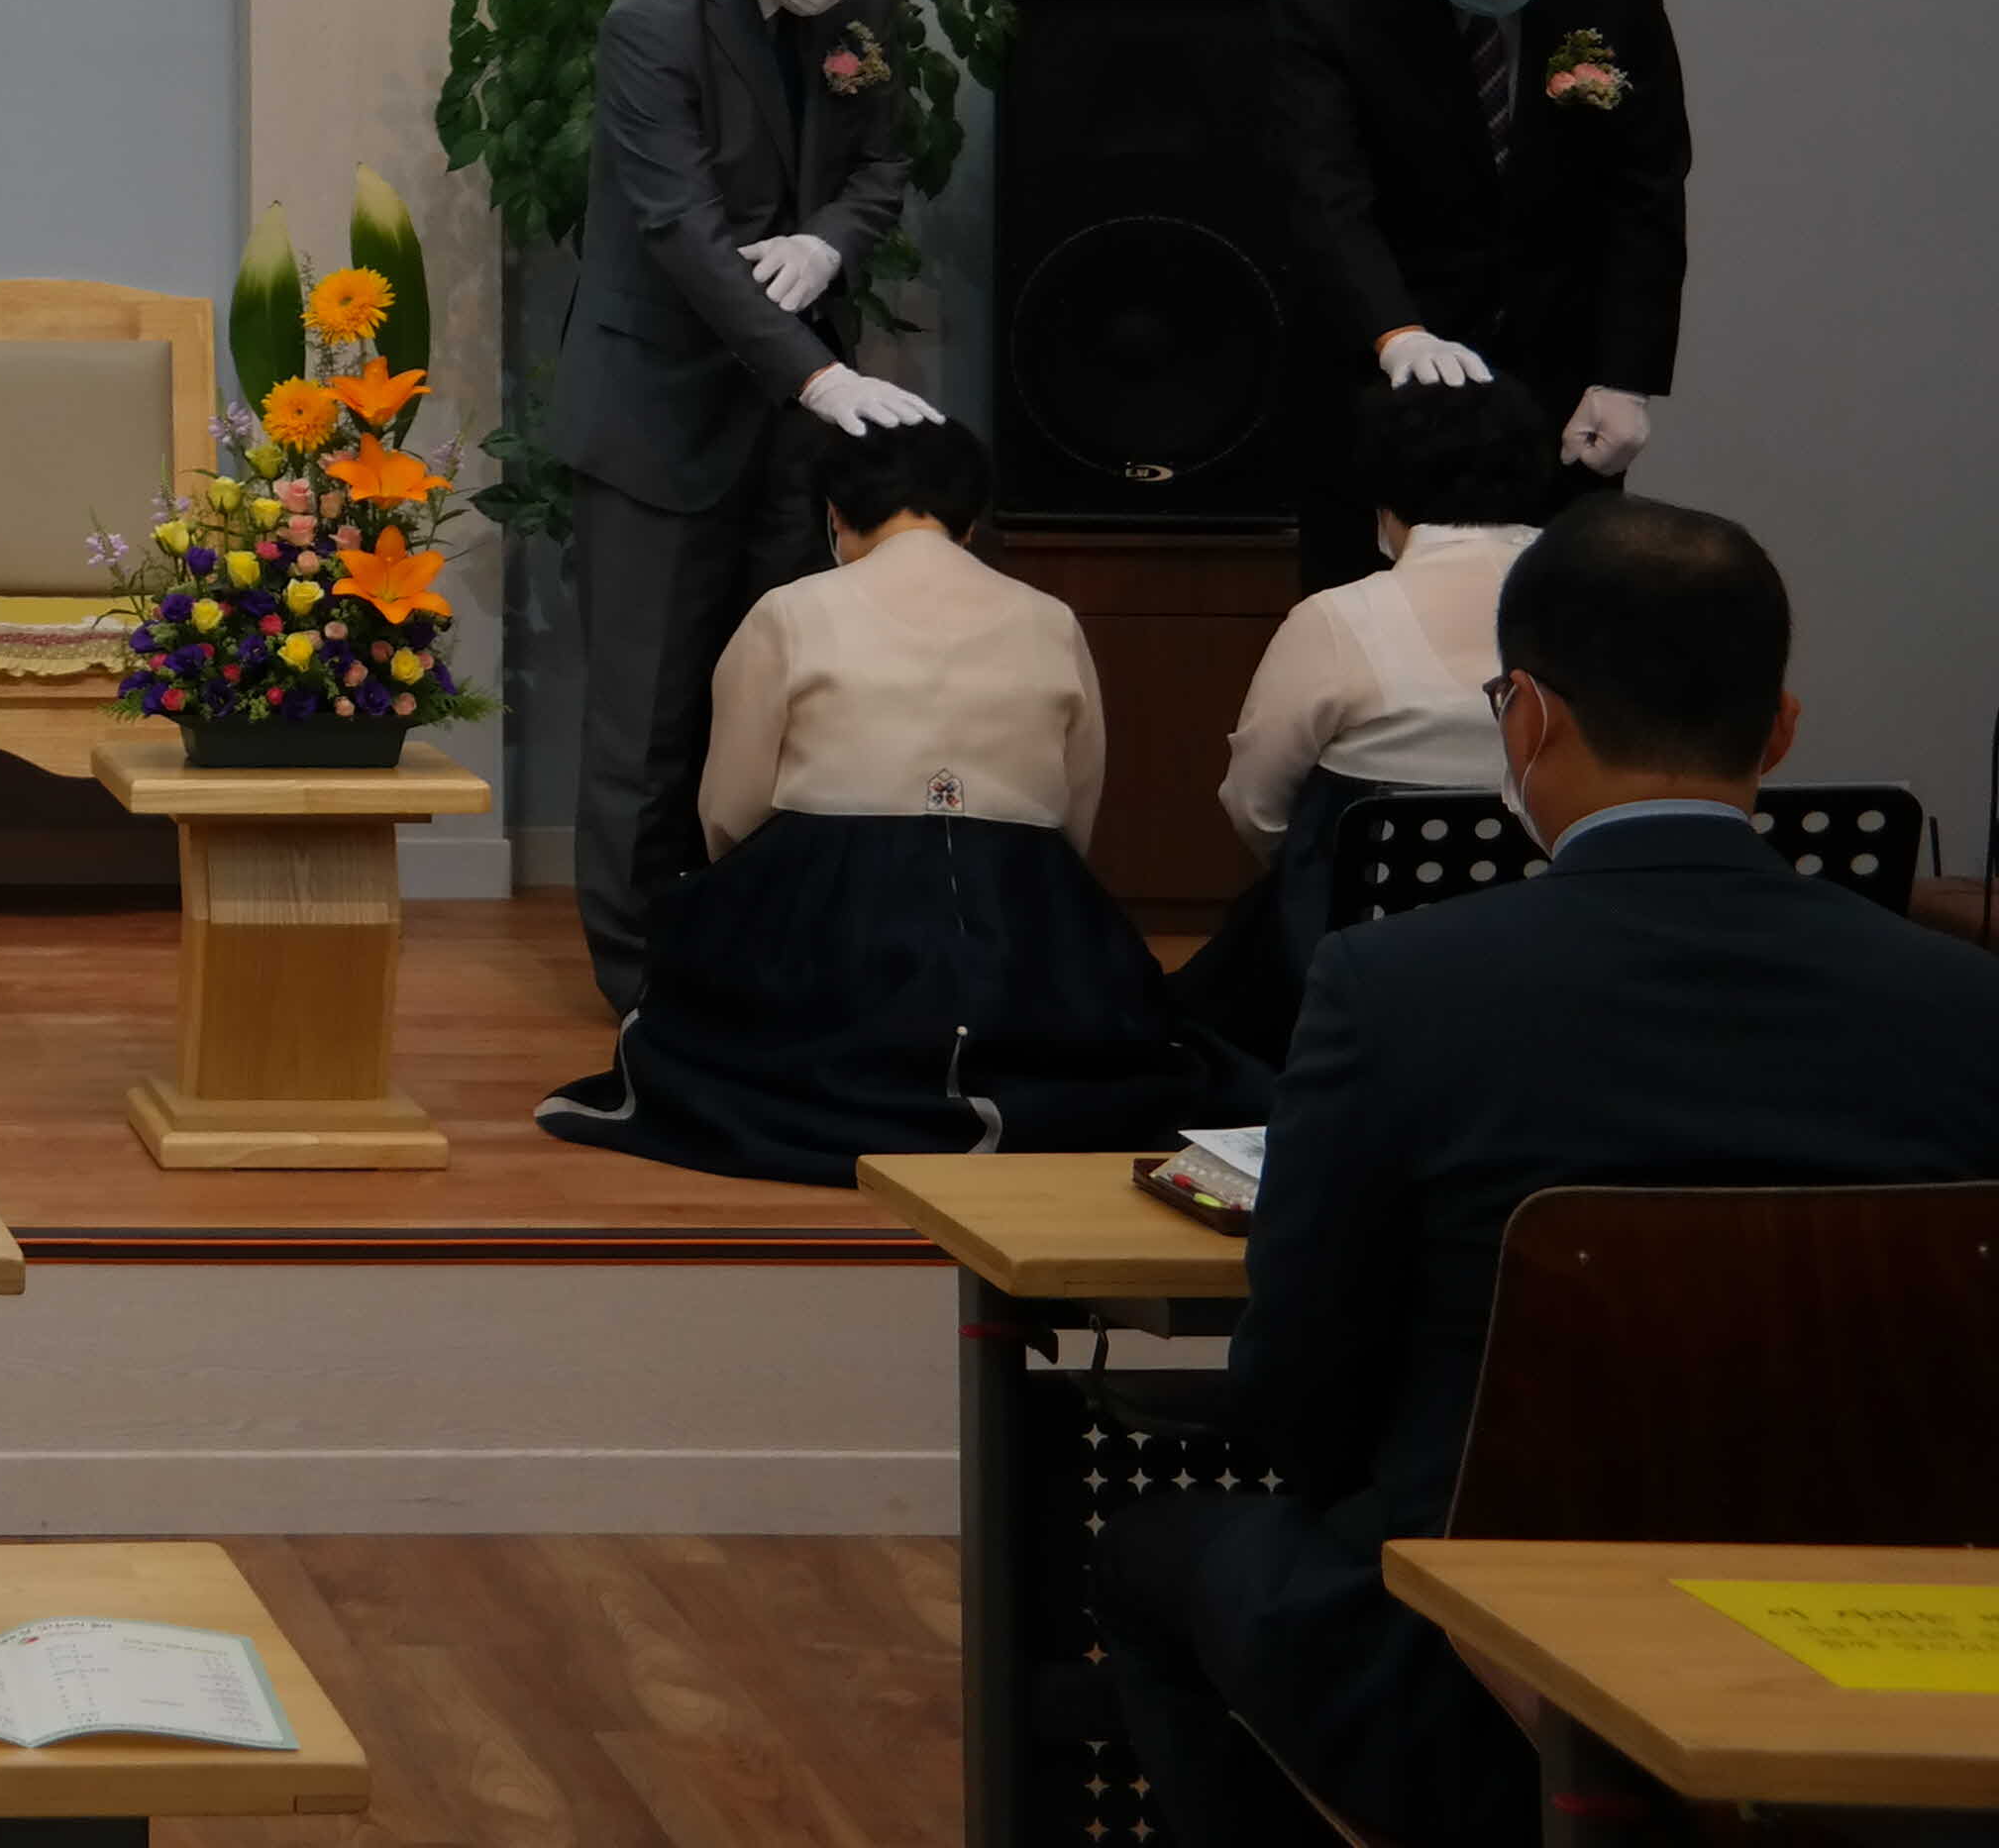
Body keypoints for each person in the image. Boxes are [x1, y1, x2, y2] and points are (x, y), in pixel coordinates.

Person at [1094, 499, 1999, 1848]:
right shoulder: (1967, 1006)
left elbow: (1301, 1387)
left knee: (1148, 1556)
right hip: (1885, 1692)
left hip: (1478, 1693)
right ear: (1780, 729)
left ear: (1524, 716)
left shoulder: (1397, 987)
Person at [541, 416, 1222, 1181]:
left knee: (695, 959)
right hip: (1020, 913)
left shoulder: (791, 610)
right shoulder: (1050, 618)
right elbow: (1074, 809)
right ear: (970, 520)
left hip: (837, 908)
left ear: (835, 516)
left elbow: (729, 811)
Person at [550, 0, 944, 1014]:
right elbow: (678, 227)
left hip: (790, 427)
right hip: (660, 409)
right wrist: (818, 374)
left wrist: (830, 243)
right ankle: (642, 993)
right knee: (649, 727)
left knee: (784, 701)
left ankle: (762, 965)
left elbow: (883, 159)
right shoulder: (653, 17)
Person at [1265, 0, 1687, 591]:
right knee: (1365, 604)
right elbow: (1324, 189)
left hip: (1558, 360)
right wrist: (1395, 332)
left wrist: (1626, 373)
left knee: (1564, 606)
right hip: (1382, 361)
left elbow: (1646, 175)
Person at [1165, 377, 1560, 1065]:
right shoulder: (1600, 599)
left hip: (1352, 960)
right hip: (1553, 951)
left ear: (1384, 500)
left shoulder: (1339, 616)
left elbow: (1255, 804)